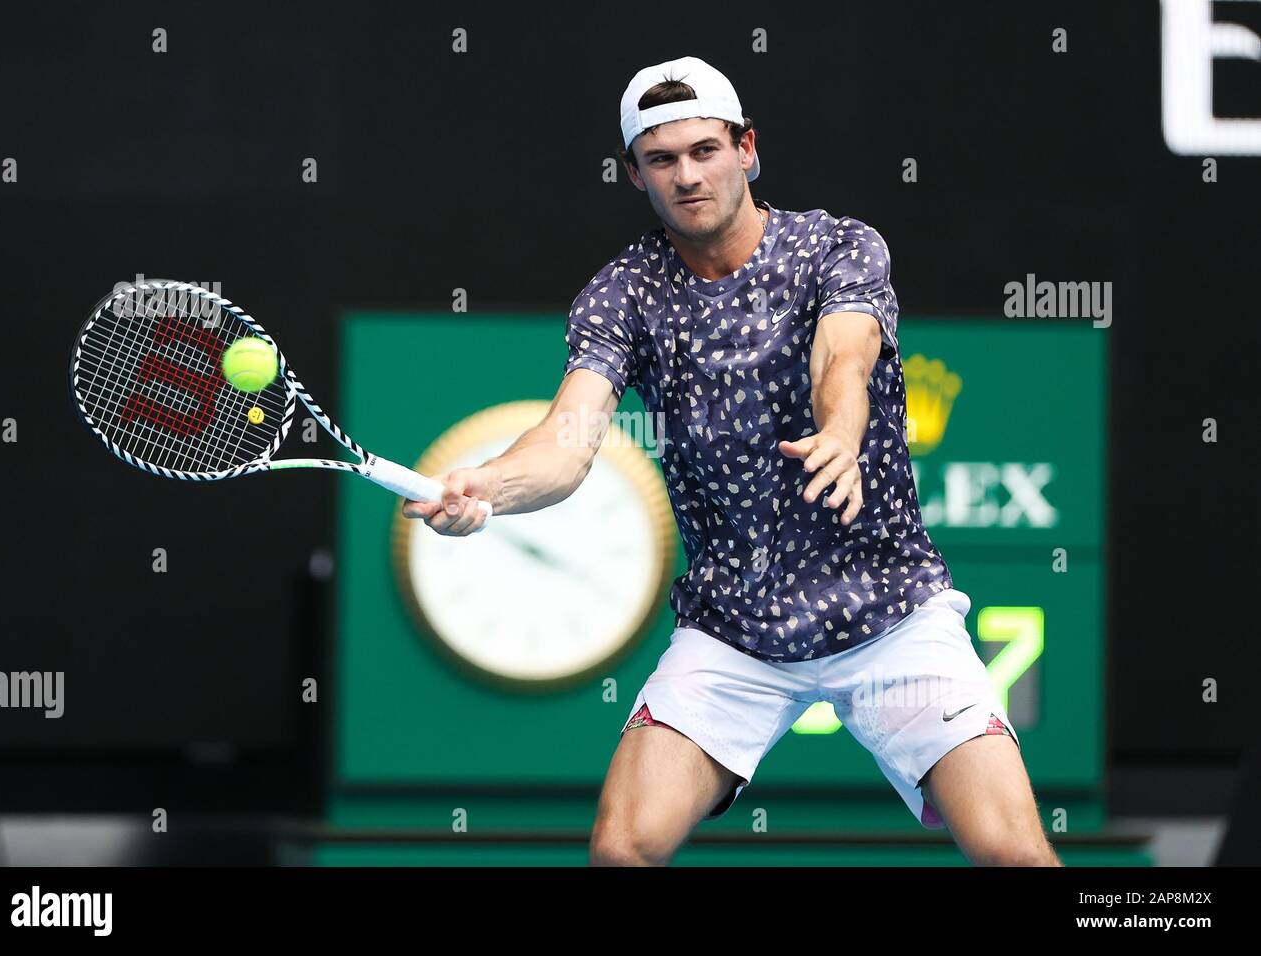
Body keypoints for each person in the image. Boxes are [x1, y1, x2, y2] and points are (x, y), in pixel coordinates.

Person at [402, 55, 1060, 867]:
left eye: (705, 150)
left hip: (891, 618)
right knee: (622, 847)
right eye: (662, 159)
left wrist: (839, 434)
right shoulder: (622, 295)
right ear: (635, 174)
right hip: (732, 633)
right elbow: (568, 440)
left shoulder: (836, 246)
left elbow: (842, 360)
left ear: (747, 149)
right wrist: (489, 486)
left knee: (1017, 856)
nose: (687, 175)